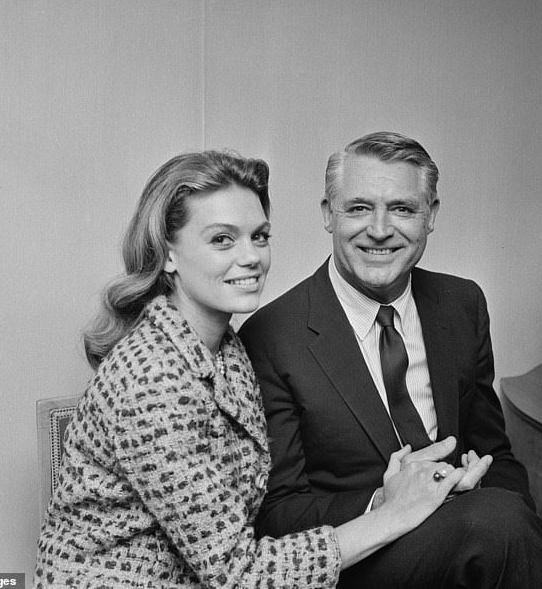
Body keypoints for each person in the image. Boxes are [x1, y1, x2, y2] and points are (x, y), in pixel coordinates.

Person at [35, 149, 473, 588]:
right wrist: (392, 513)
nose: (251, 258)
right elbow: (237, 575)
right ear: (169, 254)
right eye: (222, 240)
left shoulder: (226, 349)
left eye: (259, 236)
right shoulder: (154, 379)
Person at [239, 132, 542, 588]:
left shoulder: (462, 304)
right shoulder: (272, 336)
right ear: (329, 215)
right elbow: (278, 513)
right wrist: (384, 502)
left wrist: (477, 492)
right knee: (499, 524)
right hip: (360, 562)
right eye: (359, 208)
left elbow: (496, 454)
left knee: (505, 520)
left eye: (403, 208)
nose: (380, 229)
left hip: (475, 535)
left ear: (431, 216)